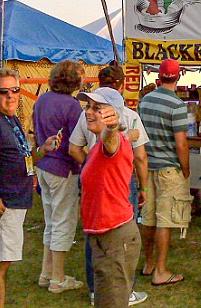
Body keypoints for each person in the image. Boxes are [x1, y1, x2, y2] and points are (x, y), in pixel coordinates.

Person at [0, 69, 60, 307]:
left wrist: (43, 150)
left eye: (15, 90)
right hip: (1, 206)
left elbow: (23, 157)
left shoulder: (10, 118)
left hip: (11, 203)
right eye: (3, 91)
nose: (10, 96)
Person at [69, 65, 149, 306]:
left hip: (116, 237)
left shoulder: (111, 143)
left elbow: (111, 140)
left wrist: (112, 127)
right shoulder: (94, 149)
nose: (89, 113)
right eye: (88, 107)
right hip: (100, 235)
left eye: (97, 108)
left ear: (113, 113)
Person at [33, 60, 85, 293]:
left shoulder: (42, 99)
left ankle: (47, 273)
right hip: (63, 168)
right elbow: (76, 142)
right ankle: (58, 278)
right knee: (64, 222)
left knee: (51, 221)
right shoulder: (72, 106)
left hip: (43, 166)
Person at [138, 59, 191, 286]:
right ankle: (160, 270)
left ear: (159, 76)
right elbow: (181, 144)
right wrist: (186, 169)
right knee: (164, 220)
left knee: (148, 218)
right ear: (178, 77)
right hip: (169, 168)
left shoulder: (145, 101)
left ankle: (149, 263)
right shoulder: (177, 105)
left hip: (147, 166)